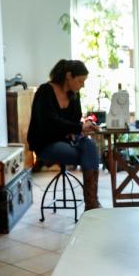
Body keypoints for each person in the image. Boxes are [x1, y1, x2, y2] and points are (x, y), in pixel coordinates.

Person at [27, 59, 101, 210]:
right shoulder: (45, 91)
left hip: (68, 141)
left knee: (90, 146)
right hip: (46, 144)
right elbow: (50, 123)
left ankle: (91, 203)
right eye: (80, 81)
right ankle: (92, 204)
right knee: (90, 154)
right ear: (69, 76)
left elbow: (74, 122)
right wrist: (79, 128)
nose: (83, 85)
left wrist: (83, 127)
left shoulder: (74, 95)